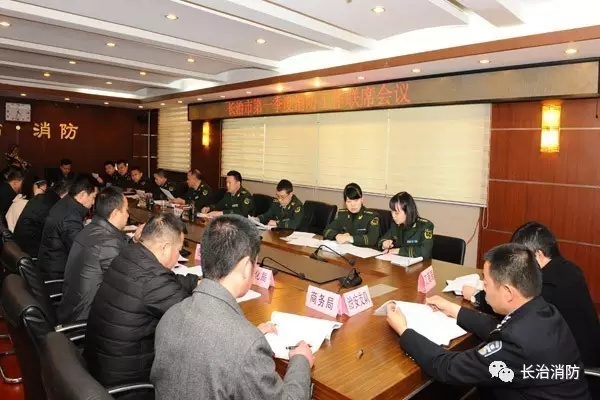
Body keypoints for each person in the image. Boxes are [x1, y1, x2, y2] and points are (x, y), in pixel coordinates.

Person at [387, 243, 590, 399]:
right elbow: (499, 328)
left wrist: (404, 331)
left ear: (508, 292)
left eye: (486, 282)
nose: (483, 288)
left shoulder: (516, 343)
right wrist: (454, 309)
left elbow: (448, 367)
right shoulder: (543, 310)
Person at [151, 215, 314, 400]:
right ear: (246, 267)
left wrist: (248, 337)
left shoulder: (171, 315)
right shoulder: (245, 346)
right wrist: (301, 361)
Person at [84, 213, 199, 393]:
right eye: (178, 250)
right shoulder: (155, 281)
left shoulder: (129, 254)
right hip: (126, 382)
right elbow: (196, 319)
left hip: (97, 365)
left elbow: (167, 282)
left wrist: (195, 282)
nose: (178, 256)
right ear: (166, 248)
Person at [462, 222, 600, 368]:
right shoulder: (569, 269)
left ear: (538, 255)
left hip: (573, 366)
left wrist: (476, 296)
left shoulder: (547, 286)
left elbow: (512, 308)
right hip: (585, 350)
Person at [57, 186, 143, 324]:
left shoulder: (92, 229)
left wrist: (134, 241)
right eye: (126, 210)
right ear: (115, 213)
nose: (128, 215)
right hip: (87, 319)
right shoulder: (108, 244)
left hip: (74, 308)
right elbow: (134, 279)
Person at [37, 174, 99, 280]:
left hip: (49, 265)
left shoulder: (66, 202)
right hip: (57, 276)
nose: (93, 202)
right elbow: (81, 252)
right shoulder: (71, 216)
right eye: (93, 197)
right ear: (83, 194)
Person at [14, 180, 70, 257]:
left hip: (18, 250)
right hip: (33, 255)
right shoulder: (54, 207)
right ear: (66, 195)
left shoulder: (39, 198)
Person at [377, 191, 434, 258]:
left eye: (397, 213)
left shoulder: (425, 226)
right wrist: (384, 244)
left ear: (408, 212)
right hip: (398, 262)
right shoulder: (396, 224)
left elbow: (425, 252)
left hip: (420, 264)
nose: (393, 216)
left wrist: (398, 251)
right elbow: (382, 240)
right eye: (392, 211)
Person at [323, 182, 379, 247]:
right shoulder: (342, 215)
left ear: (362, 199)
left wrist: (350, 239)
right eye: (349, 201)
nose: (353, 205)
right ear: (345, 202)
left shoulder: (371, 216)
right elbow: (326, 231)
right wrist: (337, 235)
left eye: (356, 201)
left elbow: (372, 239)